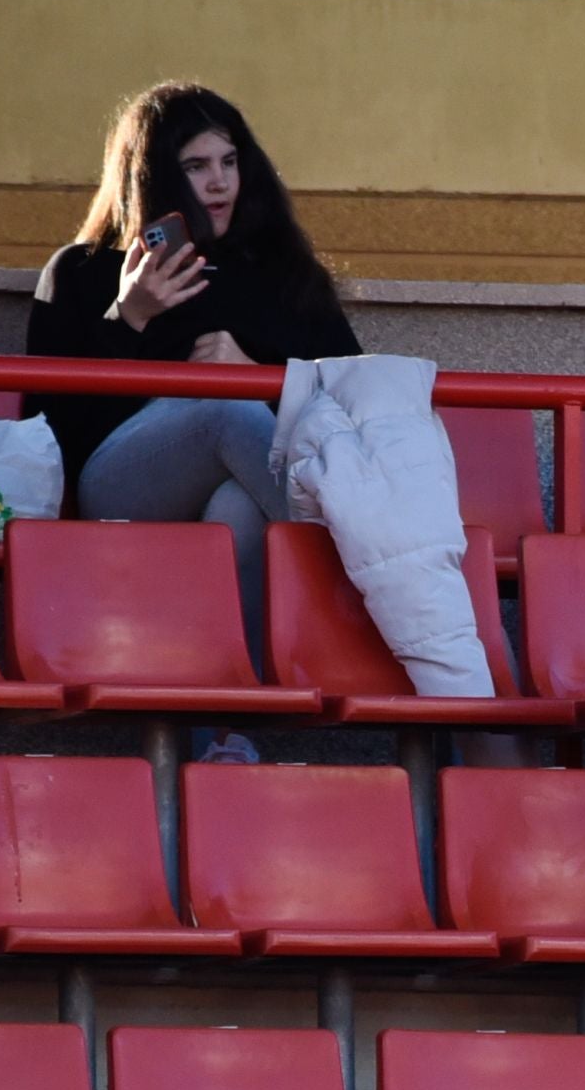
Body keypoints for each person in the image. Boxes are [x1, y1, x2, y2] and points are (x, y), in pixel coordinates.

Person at [26, 82, 360, 677]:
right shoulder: (83, 269)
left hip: (250, 473)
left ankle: (229, 735)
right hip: (117, 485)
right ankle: (365, 561)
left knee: (237, 510)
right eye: (197, 166)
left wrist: (257, 377)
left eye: (230, 162)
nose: (219, 183)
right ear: (153, 177)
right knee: (223, 407)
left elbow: (351, 390)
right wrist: (129, 318)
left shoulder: (282, 274)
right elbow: (51, 427)